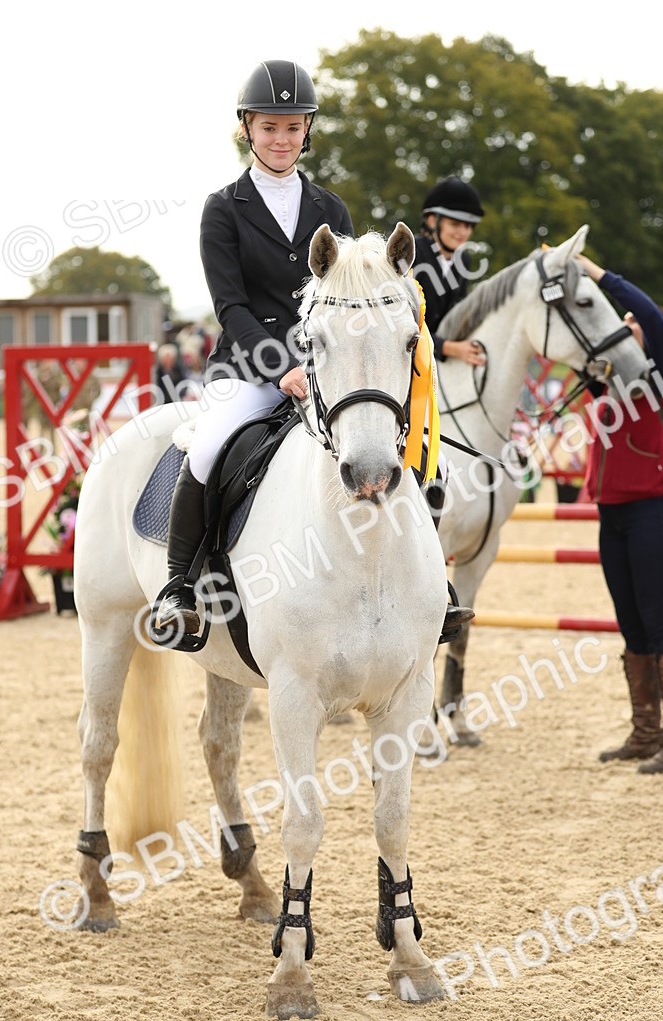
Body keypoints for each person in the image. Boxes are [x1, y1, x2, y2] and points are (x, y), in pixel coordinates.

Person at [152, 60, 474, 645]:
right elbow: (230, 306)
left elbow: (350, 304)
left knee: (421, 450)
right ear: (247, 128)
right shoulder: (223, 208)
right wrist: (281, 368)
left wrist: (331, 365)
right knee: (207, 446)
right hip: (249, 367)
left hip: (329, 365)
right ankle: (179, 586)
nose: (281, 139)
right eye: (269, 127)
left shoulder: (332, 210)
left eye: (293, 128)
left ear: (307, 132)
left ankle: (432, 589)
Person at [575, 251, 663, 774]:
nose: (624, 327)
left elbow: (647, 314)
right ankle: (646, 732)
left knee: (660, 625)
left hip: (652, 514)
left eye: (630, 326)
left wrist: (599, 275)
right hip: (614, 518)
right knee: (631, 627)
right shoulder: (611, 387)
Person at [412, 176, 487, 368]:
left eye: (468, 226)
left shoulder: (463, 260)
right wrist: (447, 347)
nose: (463, 232)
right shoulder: (411, 253)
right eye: (455, 224)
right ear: (432, 221)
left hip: (437, 365)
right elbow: (400, 320)